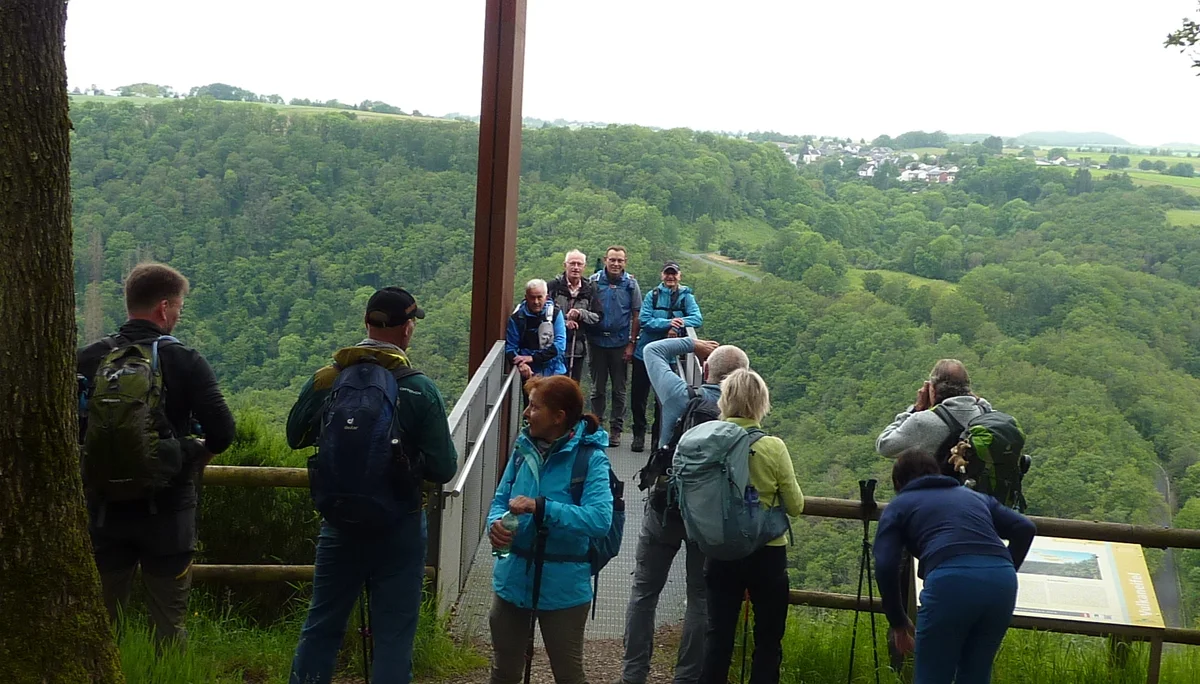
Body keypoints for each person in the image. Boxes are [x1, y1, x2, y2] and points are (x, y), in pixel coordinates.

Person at [286, 286, 459, 684]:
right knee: (394, 636)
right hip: (399, 523)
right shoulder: (419, 388)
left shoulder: (329, 378)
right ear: (408, 329)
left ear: (366, 322)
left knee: (322, 625)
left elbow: (295, 435)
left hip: (340, 522)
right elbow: (445, 467)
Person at [77, 262, 236, 649]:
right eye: (179, 307)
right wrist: (195, 455)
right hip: (168, 513)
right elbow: (224, 431)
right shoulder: (185, 361)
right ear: (164, 308)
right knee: (168, 623)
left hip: (104, 511)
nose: (178, 315)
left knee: (101, 621)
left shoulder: (90, 357)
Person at [618, 337, 748, 684]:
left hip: (665, 507)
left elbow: (651, 351)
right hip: (708, 521)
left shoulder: (681, 396)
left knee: (645, 593)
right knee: (699, 598)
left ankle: (633, 675)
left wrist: (692, 344)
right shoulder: (739, 410)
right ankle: (687, 678)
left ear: (705, 370)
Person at [487, 375, 614, 684]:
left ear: (558, 417)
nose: (526, 413)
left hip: (564, 585)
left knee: (568, 674)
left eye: (534, 407)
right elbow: (501, 499)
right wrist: (495, 524)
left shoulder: (591, 459)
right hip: (513, 576)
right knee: (504, 670)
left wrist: (541, 507)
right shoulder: (523, 448)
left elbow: (599, 520)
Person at [874, 448, 1035, 684]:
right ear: (936, 472)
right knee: (976, 674)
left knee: (932, 675)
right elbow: (1025, 528)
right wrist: (1005, 569)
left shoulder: (900, 506)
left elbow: (886, 564)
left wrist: (898, 622)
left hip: (950, 582)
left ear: (898, 482)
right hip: (1002, 583)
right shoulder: (975, 497)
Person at [699, 369, 804, 684]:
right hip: (766, 554)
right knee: (768, 642)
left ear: (725, 400)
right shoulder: (773, 447)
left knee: (718, 639)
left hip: (720, 549)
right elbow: (796, 506)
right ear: (761, 402)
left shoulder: (707, 440)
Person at [630, 261, 703, 452]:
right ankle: (638, 434)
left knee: (663, 400)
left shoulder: (686, 296)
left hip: (669, 358)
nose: (670, 277)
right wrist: (670, 322)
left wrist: (676, 325)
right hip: (644, 354)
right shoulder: (652, 295)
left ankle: (656, 439)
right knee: (638, 396)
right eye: (667, 273)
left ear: (680, 276)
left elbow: (697, 318)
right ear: (662, 275)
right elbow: (645, 321)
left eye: (674, 274)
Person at [875, 359, 992, 473]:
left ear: (932, 390)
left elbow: (884, 445)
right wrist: (976, 399)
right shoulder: (988, 415)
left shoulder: (922, 422)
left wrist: (916, 409)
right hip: (985, 492)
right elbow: (985, 406)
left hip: (944, 491)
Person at [589, 246, 641, 447]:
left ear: (625, 262)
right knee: (597, 389)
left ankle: (616, 430)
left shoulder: (631, 284)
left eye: (620, 260)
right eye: (612, 260)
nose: (616, 264)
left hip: (620, 344)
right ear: (605, 260)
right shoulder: (594, 282)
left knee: (619, 390)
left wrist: (631, 343)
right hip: (596, 343)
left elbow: (637, 314)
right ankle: (596, 427)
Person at [547, 250, 602, 384]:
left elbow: (598, 317)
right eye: (572, 263)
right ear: (564, 265)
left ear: (584, 267)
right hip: (553, 348)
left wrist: (581, 313)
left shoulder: (591, 288)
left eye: (579, 264)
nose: (576, 267)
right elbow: (544, 314)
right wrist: (563, 322)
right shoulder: (553, 287)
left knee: (572, 386)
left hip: (577, 348)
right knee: (553, 387)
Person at [506, 278, 567, 380]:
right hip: (531, 374)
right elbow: (510, 348)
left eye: (539, 297)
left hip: (555, 371)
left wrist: (533, 358)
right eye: (532, 297)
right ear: (526, 297)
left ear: (546, 297)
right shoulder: (517, 318)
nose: (536, 302)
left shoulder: (556, 314)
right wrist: (521, 364)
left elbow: (560, 345)